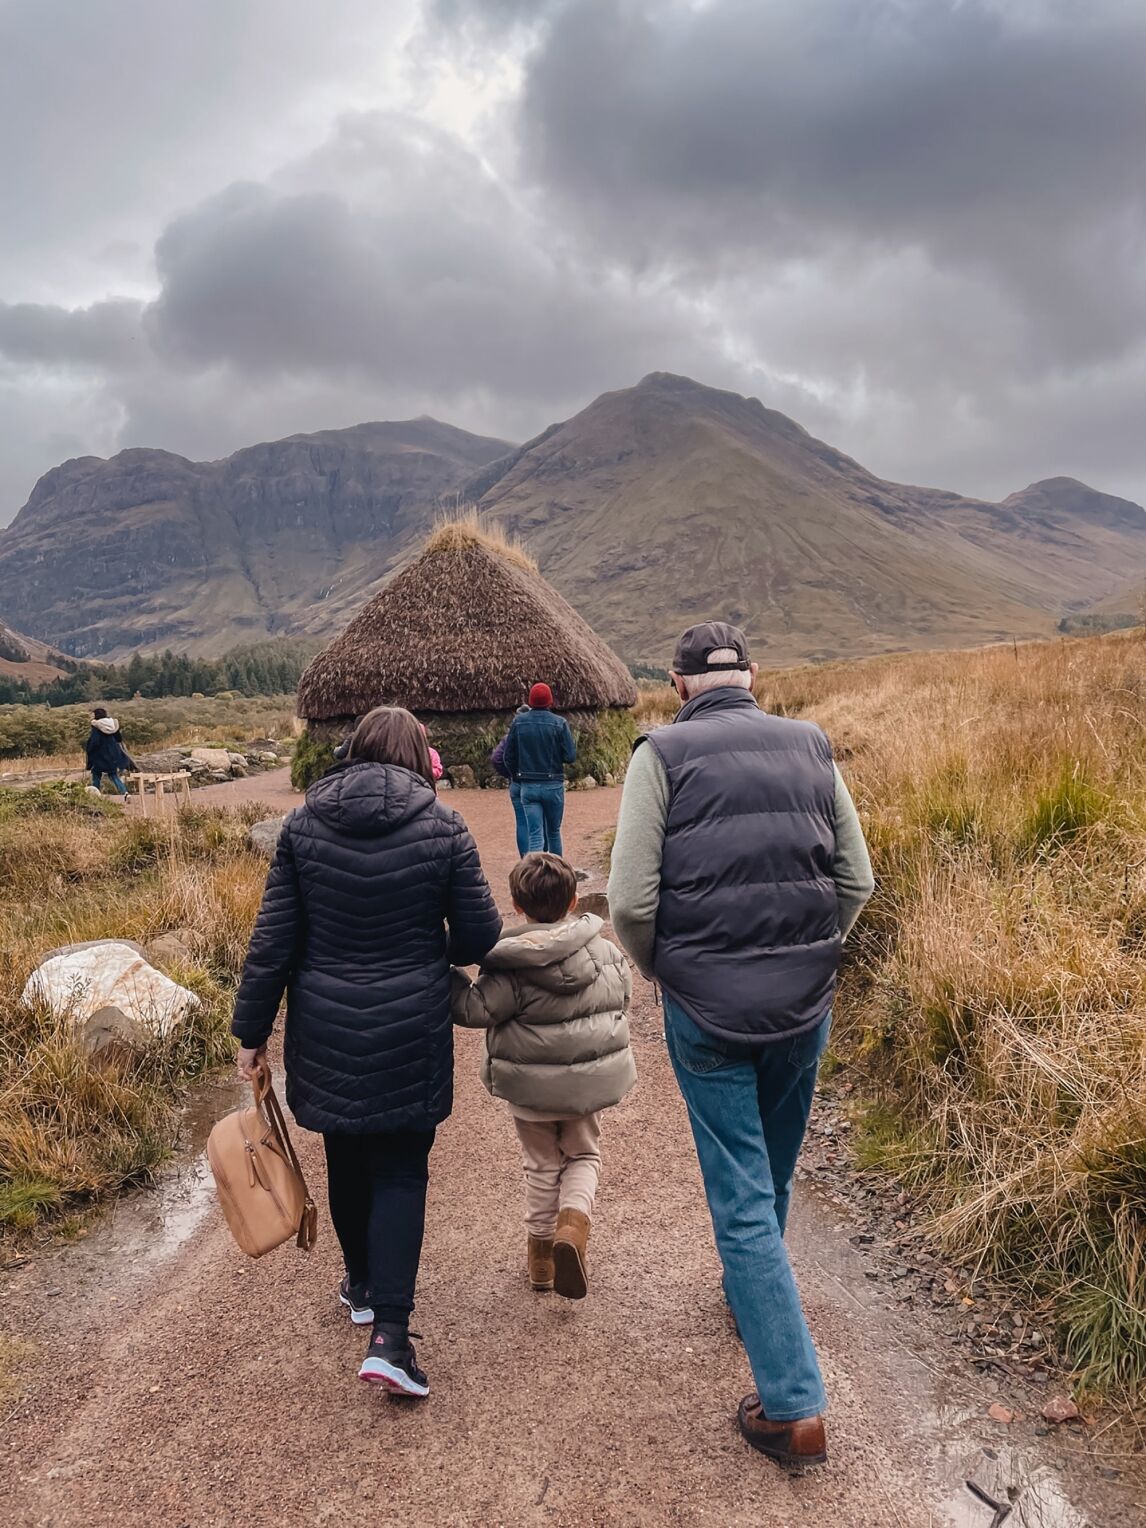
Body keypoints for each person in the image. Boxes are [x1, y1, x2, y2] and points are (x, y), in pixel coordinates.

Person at [607, 622, 873, 1469]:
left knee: (741, 1198)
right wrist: (812, 952)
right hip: (805, 1004)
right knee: (776, 1168)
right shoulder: (812, 744)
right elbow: (855, 881)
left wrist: (668, 973)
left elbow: (629, 903)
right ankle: (749, 1298)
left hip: (707, 1009)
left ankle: (793, 1407)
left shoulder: (661, 756)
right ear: (753, 675)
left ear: (679, 683)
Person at [231, 705, 501, 1398]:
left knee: (346, 1160)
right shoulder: (443, 826)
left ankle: (359, 1283)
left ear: (350, 752)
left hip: (323, 1028)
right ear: (419, 757)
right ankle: (391, 1336)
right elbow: (476, 939)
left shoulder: (302, 826)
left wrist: (250, 1035)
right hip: (411, 1026)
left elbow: (273, 942)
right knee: (402, 1173)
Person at [451, 852, 634, 1299]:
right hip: (586, 1087)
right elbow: (622, 998)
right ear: (573, 900)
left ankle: (540, 1261)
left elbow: (474, 1010)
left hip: (530, 1092)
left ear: (517, 905)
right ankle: (572, 1225)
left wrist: (448, 974)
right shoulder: (605, 950)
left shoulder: (511, 964)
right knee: (583, 1156)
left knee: (540, 1165)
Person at [503, 683, 576, 855]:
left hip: (528, 786)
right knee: (553, 833)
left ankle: (534, 879)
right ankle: (557, 876)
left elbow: (508, 756)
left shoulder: (518, 722)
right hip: (553, 785)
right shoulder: (560, 723)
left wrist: (518, 775)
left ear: (531, 700)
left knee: (535, 836)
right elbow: (570, 756)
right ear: (550, 701)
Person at [489, 703, 531, 856]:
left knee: (522, 823)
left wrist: (510, 774)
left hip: (517, 783)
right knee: (540, 823)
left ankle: (525, 861)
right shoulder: (535, 736)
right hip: (534, 782)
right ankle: (542, 861)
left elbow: (497, 758)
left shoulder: (510, 737)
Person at [85, 707, 136, 796]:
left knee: (96, 773)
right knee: (113, 775)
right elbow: (119, 738)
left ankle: (96, 795)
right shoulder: (113, 724)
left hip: (101, 755)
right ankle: (125, 793)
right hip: (114, 754)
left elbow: (95, 741)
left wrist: (89, 749)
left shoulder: (96, 726)